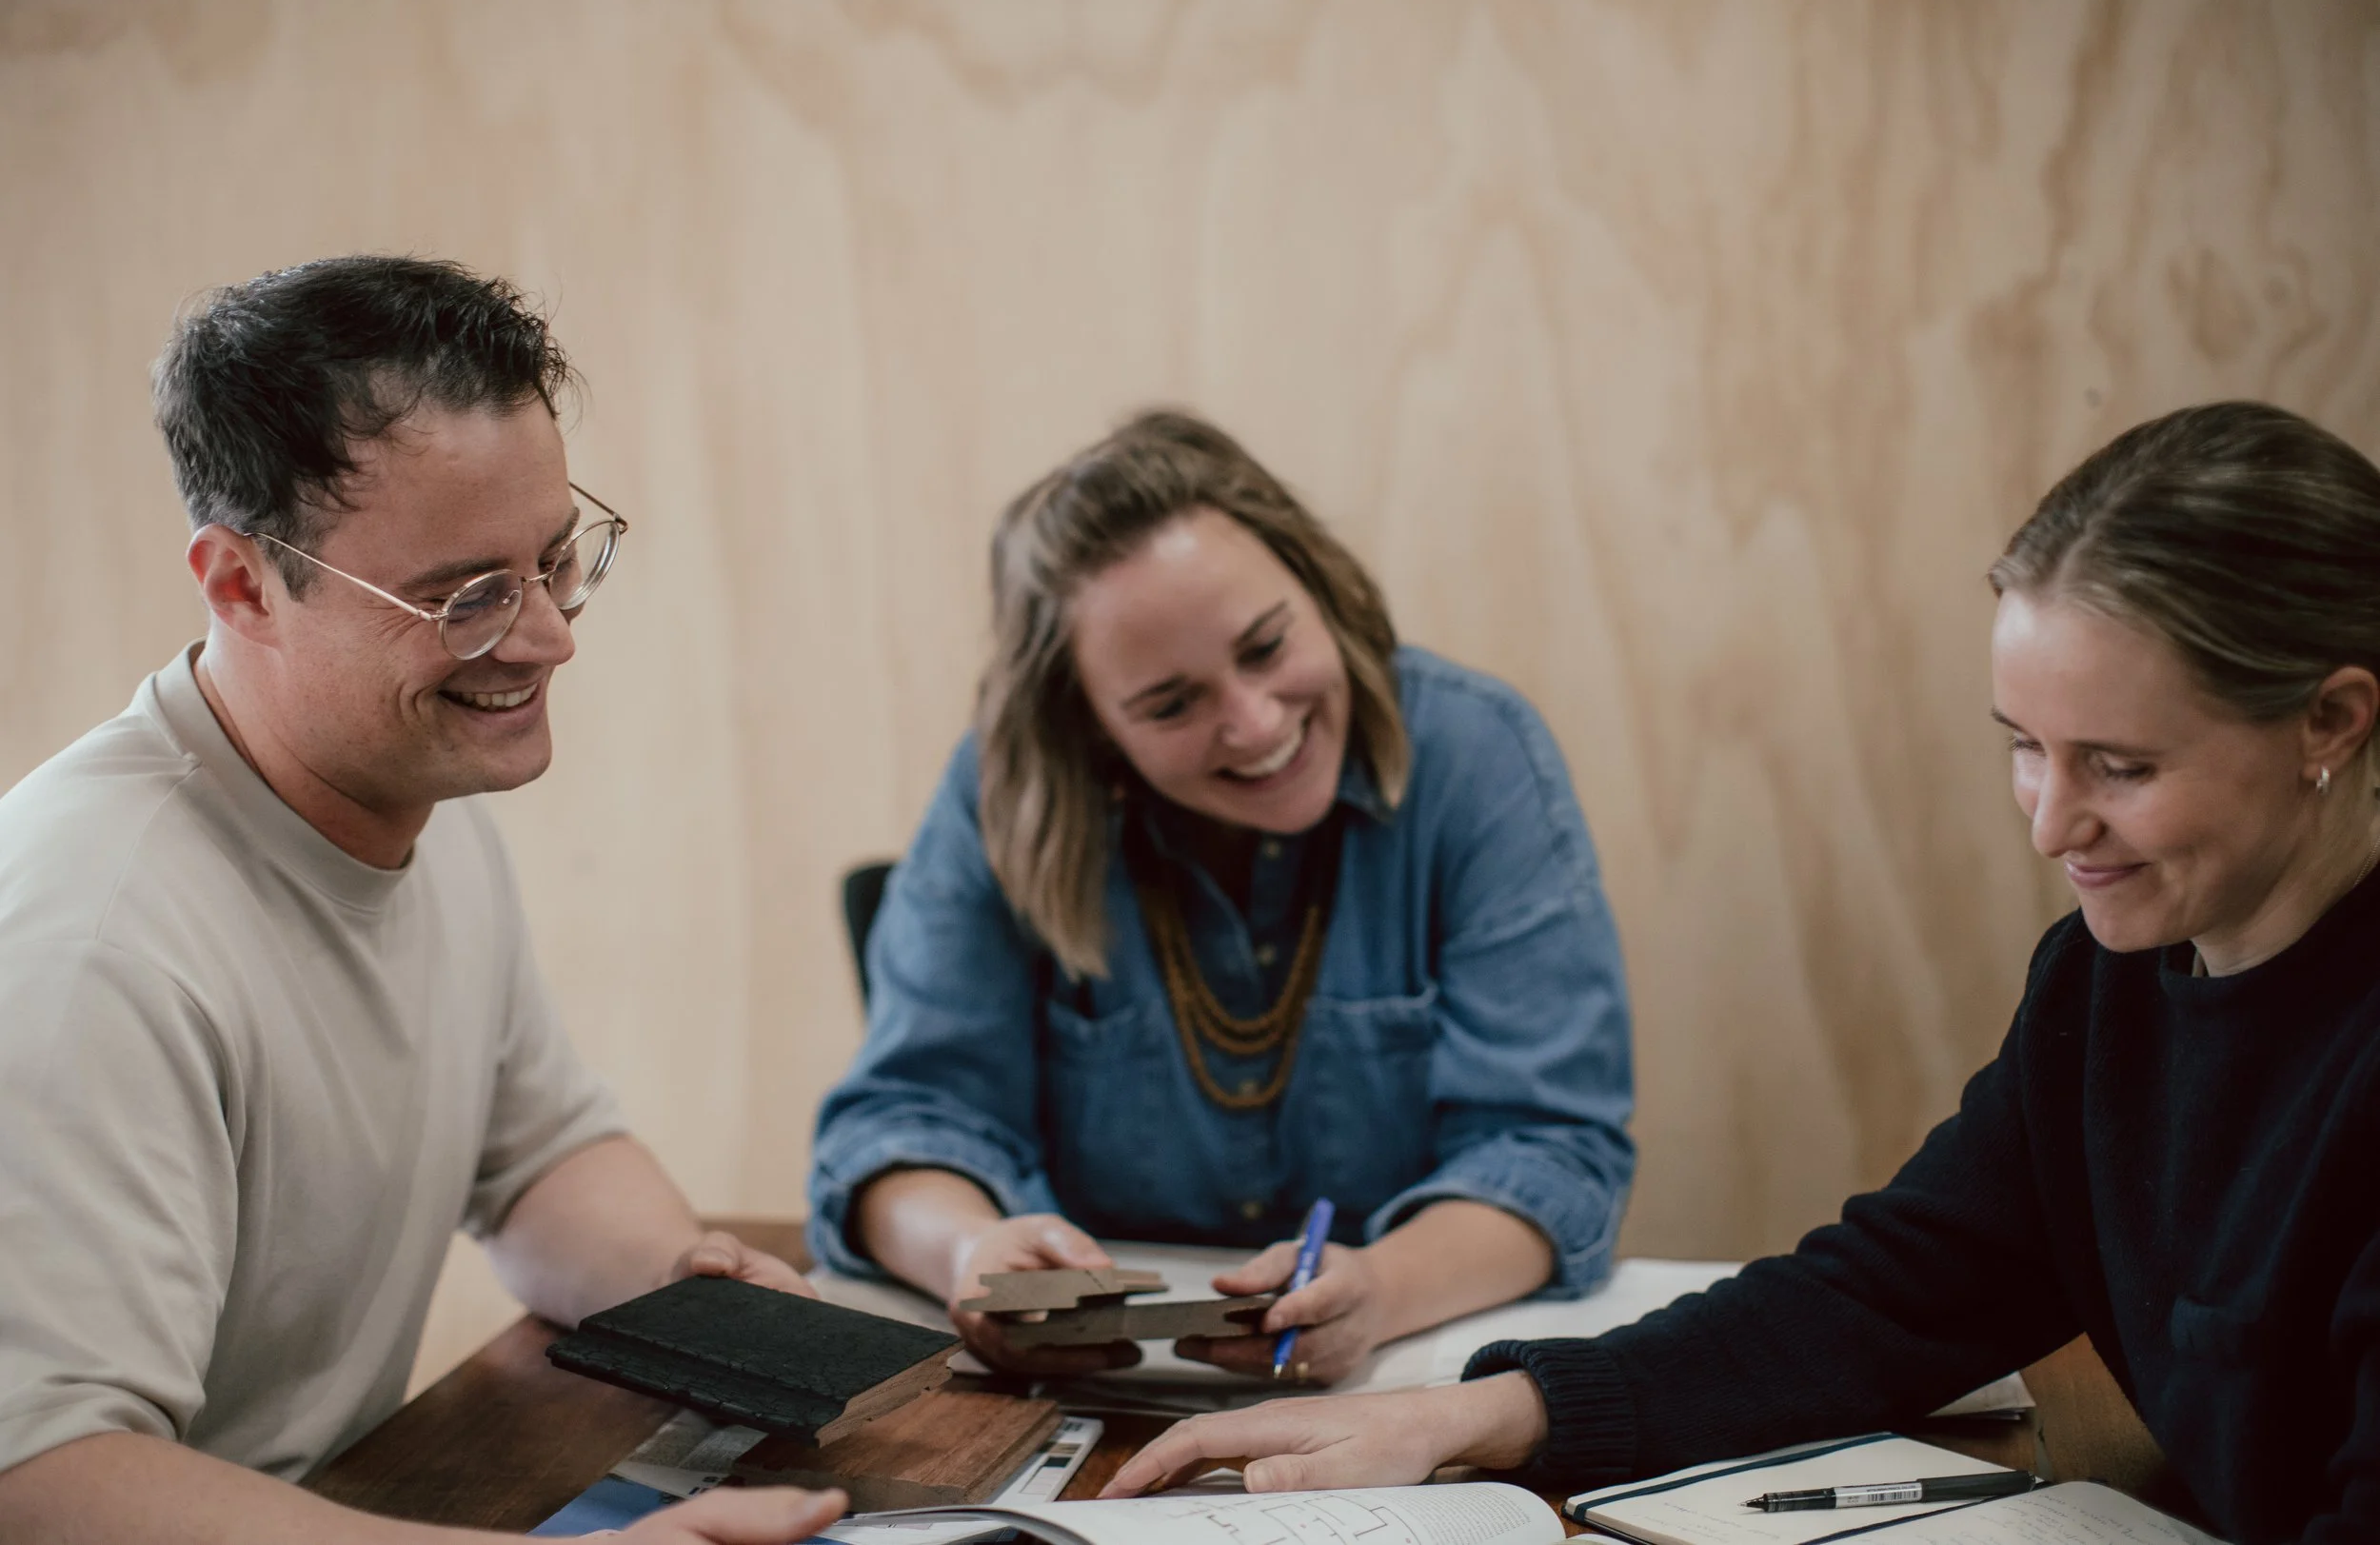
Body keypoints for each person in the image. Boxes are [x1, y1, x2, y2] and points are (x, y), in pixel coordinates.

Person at [1101, 401, 2380, 1545]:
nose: (2049, 826)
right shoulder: (2107, 987)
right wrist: (1480, 1411)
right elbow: (1892, 1292)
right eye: (2025, 746)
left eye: (2120, 765)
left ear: (2329, 719)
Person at [0, 258, 843, 1544]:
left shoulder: (410, 789)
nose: (549, 634)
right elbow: (45, 1477)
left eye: (556, 558)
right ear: (240, 583)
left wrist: (676, 1280)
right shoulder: (87, 947)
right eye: (465, 595)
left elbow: (540, 1152)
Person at [809, 410, 1636, 1384]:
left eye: (1266, 646)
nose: (1253, 725)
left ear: (1321, 589)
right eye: (1170, 704)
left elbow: (1551, 1150)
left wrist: (1382, 1287)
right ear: (1089, 729)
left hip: (1396, 1384)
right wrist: (967, 1253)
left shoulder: (1476, 754)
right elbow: (899, 1123)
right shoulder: (1006, 788)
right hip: (1079, 1396)